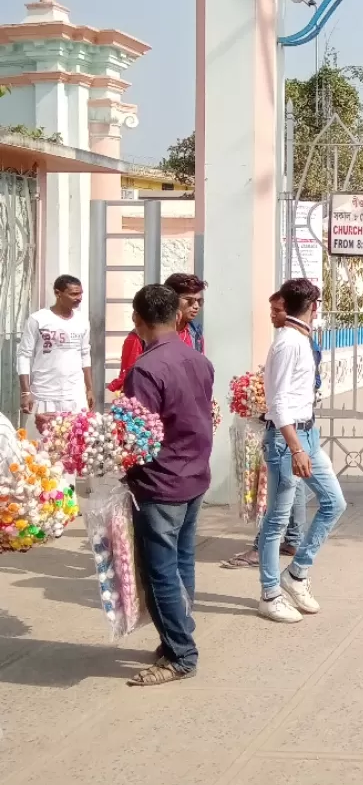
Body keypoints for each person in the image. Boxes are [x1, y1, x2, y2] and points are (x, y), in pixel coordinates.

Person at [121, 284, 215, 685]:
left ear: (138, 321)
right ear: (177, 316)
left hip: (161, 483)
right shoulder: (197, 359)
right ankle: (176, 638)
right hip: (193, 476)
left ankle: (180, 654)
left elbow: (135, 437)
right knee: (181, 563)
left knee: (160, 571)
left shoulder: (146, 369)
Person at [257, 277, 346, 624]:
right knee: (277, 519)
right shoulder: (289, 343)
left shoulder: (300, 339)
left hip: (307, 435)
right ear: (313, 307)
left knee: (333, 502)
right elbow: (277, 403)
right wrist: (296, 449)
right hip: (287, 442)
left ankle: (296, 573)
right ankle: (269, 593)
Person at [221, 291, 310, 571]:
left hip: (289, 430)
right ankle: (287, 550)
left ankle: (267, 552)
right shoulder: (292, 341)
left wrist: (294, 444)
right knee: (289, 492)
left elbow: (282, 396)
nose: (272, 315)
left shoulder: (291, 344)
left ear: (293, 311)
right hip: (292, 429)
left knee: (278, 502)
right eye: (271, 309)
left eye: (277, 310)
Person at [18, 274, 94, 431]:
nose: (79, 298)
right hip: (44, 393)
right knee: (40, 448)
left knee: (75, 445)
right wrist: (26, 392)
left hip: (74, 395)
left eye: (80, 294)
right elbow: (24, 355)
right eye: (73, 294)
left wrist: (89, 388)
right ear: (58, 293)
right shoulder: (38, 319)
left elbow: (85, 355)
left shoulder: (82, 321)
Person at [111, 271, 205, 390]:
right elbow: (128, 381)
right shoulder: (139, 337)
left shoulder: (195, 335)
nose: (196, 306)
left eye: (199, 301)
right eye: (190, 300)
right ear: (172, 299)